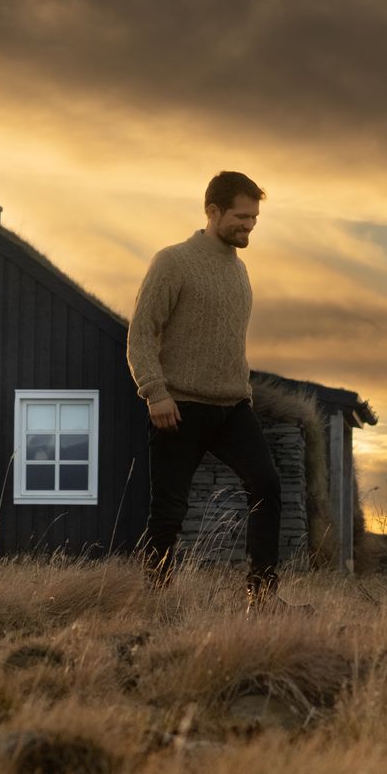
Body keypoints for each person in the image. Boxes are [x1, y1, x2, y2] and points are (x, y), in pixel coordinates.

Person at [127, 171, 286, 607]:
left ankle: (262, 597)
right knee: (169, 511)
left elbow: (230, 341)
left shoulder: (240, 272)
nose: (249, 225)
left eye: (254, 217)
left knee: (267, 486)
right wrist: (155, 391)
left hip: (233, 407)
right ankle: (156, 599)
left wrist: (245, 392)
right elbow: (141, 333)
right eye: (241, 216)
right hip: (178, 406)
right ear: (212, 211)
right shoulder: (173, 261)